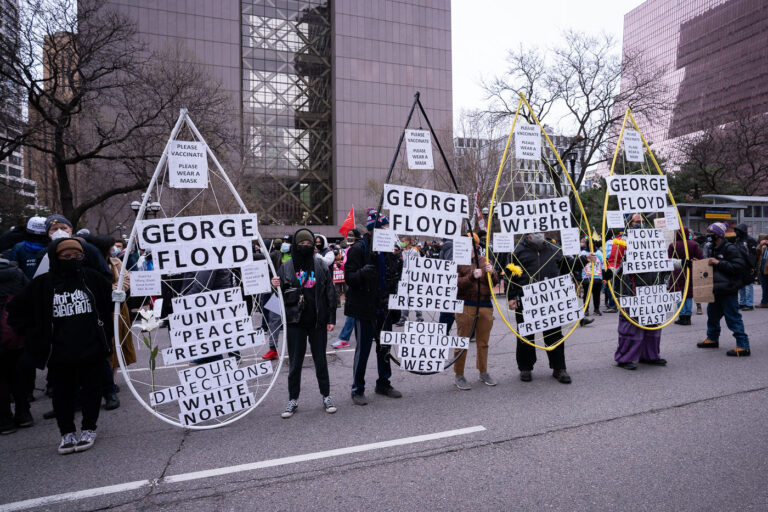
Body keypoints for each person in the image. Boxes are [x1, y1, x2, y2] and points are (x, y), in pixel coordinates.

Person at [8, 238, 113, 454]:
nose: (72, 260)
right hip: (58, 352)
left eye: (77, 256)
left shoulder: (91, 278)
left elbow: (110, 301)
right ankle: (66, 432)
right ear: (56, 258)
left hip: (90, 348)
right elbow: (16, 310)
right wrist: (34, 333)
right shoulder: (42, 284)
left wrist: (118, 299)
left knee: (91, 391)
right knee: (62, 393)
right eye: (66, 256)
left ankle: (88, 428)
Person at [507, 232, 595, 384]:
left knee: (554, 334)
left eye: (540, 230)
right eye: (533, 230)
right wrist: (511, 296)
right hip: (525, 299)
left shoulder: (555, 248)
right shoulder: (518, 250)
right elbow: (510, 276)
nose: (537, 233)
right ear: (527, 233)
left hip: (551, 299)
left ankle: (559, 368)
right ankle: (525, 368)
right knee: (525, 335)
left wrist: (584, 259)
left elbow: (567, 266)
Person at [271, 228, 336, 418]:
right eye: (301, 244)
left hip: (317, 321)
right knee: (295, 363)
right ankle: (293, 399)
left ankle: (326, 396)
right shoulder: (287, 267)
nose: (305, 247)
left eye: (309, 244)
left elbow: (329, 292)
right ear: (295, 245)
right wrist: (274, 285)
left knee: (320, 361)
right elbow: (278, 297)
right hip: (295, 322)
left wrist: (331, 318)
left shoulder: (320, 265)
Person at [345, 209, 402, 405]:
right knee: (364, 349)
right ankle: (357, 388)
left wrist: (396, 260)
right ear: (373, 230)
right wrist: (362, 273)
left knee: (384, 347)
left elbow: (394, 277)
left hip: (384, 307)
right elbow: (349, 278)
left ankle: (383, 383)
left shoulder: (388, 249)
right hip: (364, 308)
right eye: (385, 227)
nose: (388, 230)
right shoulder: (359, 249)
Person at [611, 214, 670, 370]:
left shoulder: (654, 239)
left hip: (653, 290)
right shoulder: (621, 242)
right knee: (631, 326)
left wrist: (681, 264)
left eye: (643, 222)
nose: (641, 225)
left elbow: (664, 261)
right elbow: (613, 265)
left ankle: (650, 355)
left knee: (653, 324)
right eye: (637, 222)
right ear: (629, 224)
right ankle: (625, 358)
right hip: (631, 290)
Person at [90, 235, 135, 410]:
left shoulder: (116, 261)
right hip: (101, 309)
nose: (113, 249)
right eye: (110, 247)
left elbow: (126, 278)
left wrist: (118, 290)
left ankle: (113, 380)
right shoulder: (92, 263)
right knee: (106, 344)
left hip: (117, 306)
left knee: (117, 343)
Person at [697, 222, 751, 357]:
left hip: (728, 289)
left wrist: (719, 262)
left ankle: (743, 345)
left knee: (732, 317)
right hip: (716, 288)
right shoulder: (712, 248)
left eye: (711, 233)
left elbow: (738, 266)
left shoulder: (730, 248)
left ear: (719, 234)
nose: (708, 235)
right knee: (712, 315)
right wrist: (699, 264)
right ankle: (712, 338)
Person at [453, 232, 498, 390]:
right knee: (462, 341)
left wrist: (492, 273)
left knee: (483, 342)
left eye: (470, 242)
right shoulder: (456, 261)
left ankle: (483, 372)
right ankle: (459, 375)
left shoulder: (484, 260)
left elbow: (494, 282)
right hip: (465, 305)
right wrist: (472, 276)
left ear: (476, 245)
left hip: (485, 305)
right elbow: (453, 283)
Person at [0, 258, 31, 434]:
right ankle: (24, 413)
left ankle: (5, 421)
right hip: (14, 333)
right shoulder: (17, 274)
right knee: (18, 375)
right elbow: (28, 298)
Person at [332, 229, 361, 349]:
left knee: (352, 313)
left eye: (351, 235)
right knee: (354, 314)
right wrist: (342, 266)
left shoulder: (357, 249)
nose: (349, 237)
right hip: (353, 284)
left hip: (357, 285)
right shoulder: (350, 249)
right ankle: (346, 338)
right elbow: (349, 265)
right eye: (348, 235)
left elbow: (354, 266)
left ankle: (344, 338)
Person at [668, 227, 703, 325]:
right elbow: (700, 258)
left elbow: (668, 259)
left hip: (677, 272)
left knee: (679, 294)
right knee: (689, 294)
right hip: (690, 271)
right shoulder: (694, 244)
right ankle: (688, 316)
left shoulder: (673, 245)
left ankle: (682, 316)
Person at [395, 235, 423, 326]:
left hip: (413, 278)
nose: (402, 243)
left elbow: (420, 264)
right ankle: (403, 318)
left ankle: (419, 316)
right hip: (403, 278)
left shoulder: (414, 252)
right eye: (401, 241)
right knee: (404, 298)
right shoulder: (401, 252)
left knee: (414, 297)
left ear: (408, 242)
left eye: (403, 241)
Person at [733, 224, 757, 311]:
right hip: (739, 265)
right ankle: (742, 302)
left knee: (748, 285)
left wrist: (752, 266)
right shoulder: (738, 240)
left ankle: (749, 304)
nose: (737, 232)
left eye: (738, 230)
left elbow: (753, 254)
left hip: (747, 266)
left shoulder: (750, 240)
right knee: (741, 285)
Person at [580, 238, 603, 316]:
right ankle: (586, 309)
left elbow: (603, 265)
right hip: (586, 277)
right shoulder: (583, 253)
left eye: (592, 243)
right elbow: (579, 263)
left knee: (597, 295)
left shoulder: (599, 253)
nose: (590, 245)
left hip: (597, 277)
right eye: (589, 243)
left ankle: (596, 309)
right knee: (586, 295)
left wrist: (604, 277)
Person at [757, 235, 768, 308]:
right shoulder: (764, 248)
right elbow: (757, 250)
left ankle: (764, 302)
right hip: (763, 270)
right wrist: (760, 244)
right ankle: (764, 302)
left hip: (766, 270)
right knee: (764, 287)